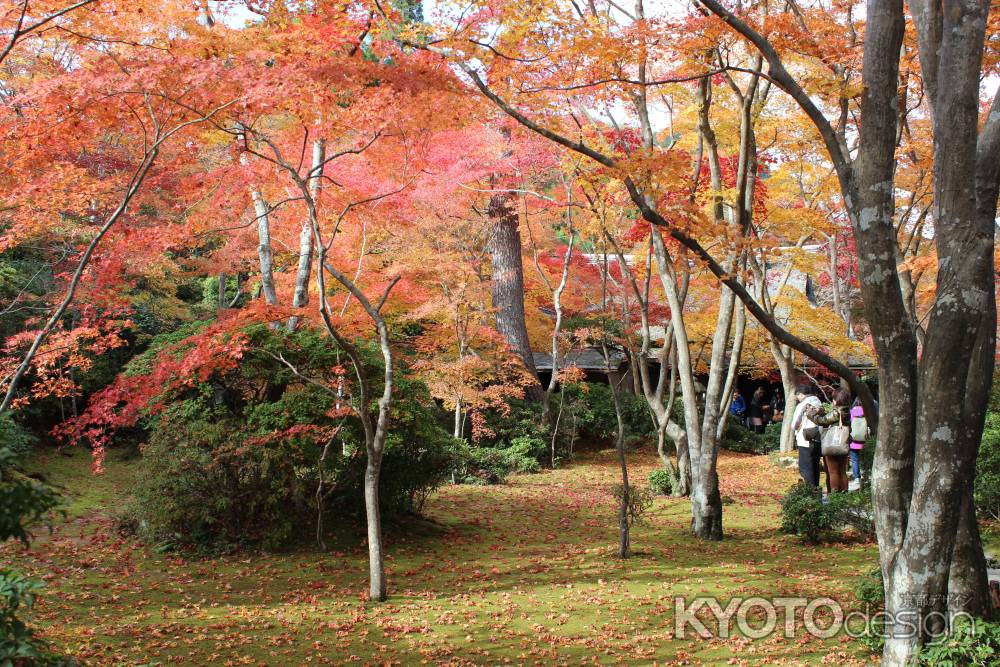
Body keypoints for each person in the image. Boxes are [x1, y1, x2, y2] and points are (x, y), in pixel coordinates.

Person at [813, 388, 851, 492]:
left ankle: (835, 495)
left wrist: (811, 414)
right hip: (844, 443)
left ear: (836, 400)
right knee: (842, 471)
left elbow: (822, 420)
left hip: (833, 444)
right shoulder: (847, 411)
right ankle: (844, 493)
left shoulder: (837, 412)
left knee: (833, 472)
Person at [792, 385, 823, 487]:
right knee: (815, 466)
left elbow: (795, 424)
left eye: (797, 396)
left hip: (805, 439)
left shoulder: (803, 405)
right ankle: (816, 490)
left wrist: (795, 428)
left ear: (801, 394)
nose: (797, 398)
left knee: (806, 467)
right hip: (817, 437)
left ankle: (810, 492)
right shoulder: (818, 403)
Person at [849, 398, 868, 484]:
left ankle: (857, 477)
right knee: (865, 458)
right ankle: (866, 475)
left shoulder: (851, 412)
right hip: (865, 440)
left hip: (854, 441)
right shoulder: (867, 412)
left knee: (854, 460)